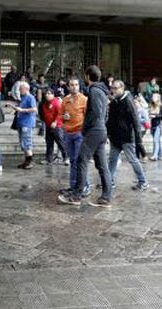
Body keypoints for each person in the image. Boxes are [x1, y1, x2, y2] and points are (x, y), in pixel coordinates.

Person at [58, 65, 112, 208]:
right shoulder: (102, 91)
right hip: (101, 130)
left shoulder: (94, 91)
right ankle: (106, 197)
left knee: (81, 160)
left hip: (93, 131)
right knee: (102, 165)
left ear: (87, 76)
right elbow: (105, 112)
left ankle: (76, 195)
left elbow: (93, 112)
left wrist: (85, 128)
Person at [106, 80, 149, 191]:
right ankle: (109, 181)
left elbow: (135, 121)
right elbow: (110, 120)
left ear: (122, 88)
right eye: (112, 88)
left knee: (133, 160)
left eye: (116, 88)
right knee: (112, 160)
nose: (113, 90)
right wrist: (108, 133)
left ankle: (143, 181)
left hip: (126, 137)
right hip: (115, 137)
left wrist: (138, 140)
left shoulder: (128, 101)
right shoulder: (114, 102)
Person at [60, 77, 90, 196]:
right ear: (68, 87)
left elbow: (88, 117)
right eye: (71, 85)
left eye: (76, 84)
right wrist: (63, 118)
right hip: (68, 133)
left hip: (79, 133)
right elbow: (60, 115)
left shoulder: (84, 100)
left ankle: (85, 186)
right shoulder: (65, 100)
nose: (74, 87)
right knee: (72, 161)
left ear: (79, 86)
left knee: (80, 161)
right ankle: (73, 186)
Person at [8, 81, 38, 169]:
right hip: (21, 122)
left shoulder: (30, 97)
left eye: (21, 88)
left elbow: (34, 109)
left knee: (27, 142)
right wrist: (12, 106)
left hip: (27, 123)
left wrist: (22, 110)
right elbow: (20, 108)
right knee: (23, 143)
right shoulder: (23, 97)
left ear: (26, 89)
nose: (19, 90)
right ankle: (26, 161)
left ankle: (29, 162)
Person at [40, 88, 68, 165]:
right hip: (48, 125)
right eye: (46, 94)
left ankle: (66, 158)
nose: (47, 95)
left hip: (57, 126)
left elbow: (59, 113)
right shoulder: (45, 104)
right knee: (49, 143)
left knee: (60, 142)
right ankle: (48, 159)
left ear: (53, 94)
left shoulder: (56, 103)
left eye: (49, 93)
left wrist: (55, 122)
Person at [149, 93, 162, 161]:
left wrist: (156, 116)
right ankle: (160, 155)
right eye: (152, 96)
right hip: (152, 125)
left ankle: (155, 155)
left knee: (155, 141)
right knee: (157, 141)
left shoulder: (161, 106)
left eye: (154, 97)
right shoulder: (152, 105)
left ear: (158, 98)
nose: (153, 97)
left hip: (159, 125)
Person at [134, 95, 149, 162]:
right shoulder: (134, 110)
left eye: (136, 102)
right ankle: (137, 157)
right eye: (134, 102)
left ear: (140, 103)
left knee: (139, 142)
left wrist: (137, 119)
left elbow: (146, 119)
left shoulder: (143, 110)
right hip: (135, 128)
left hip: (142, 128)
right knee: (136, 142)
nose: (134, 104)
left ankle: (144, 155)